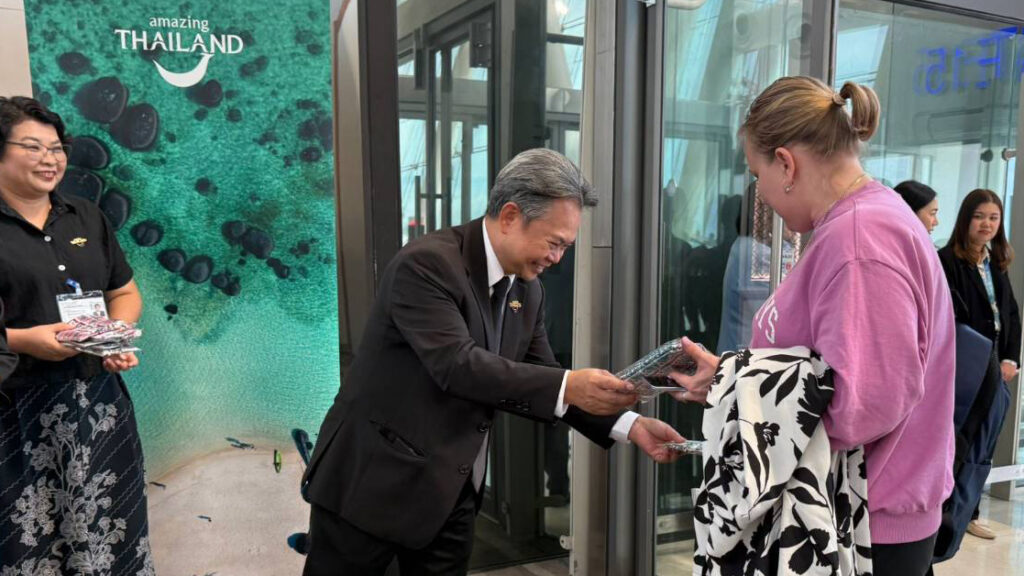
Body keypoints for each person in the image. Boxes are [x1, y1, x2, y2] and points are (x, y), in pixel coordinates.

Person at [301, 148, 684, 576]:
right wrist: (571, 384)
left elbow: (542, 375)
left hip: (452, 493)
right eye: (555, 243)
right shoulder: (426, 265)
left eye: (566, 247)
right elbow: (458, 365)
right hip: (371, 488)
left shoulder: (527, 289)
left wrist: (630, 425)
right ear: (509, 216)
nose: (558, 259)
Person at [671, 77, 955, 576]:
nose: (758, 190)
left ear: (786, 163)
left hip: (859, 521)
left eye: (755, 172)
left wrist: (737, 393)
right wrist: (727, 379)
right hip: (853, 510)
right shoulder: (860, 222)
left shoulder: (859, 240)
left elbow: (863, 404)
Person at [0, 96, 153, 574]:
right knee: (28, 543)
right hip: (16, 412)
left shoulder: (87, 215)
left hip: (98, 405)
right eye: (33, 146)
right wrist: (26, 340)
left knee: (111, 534)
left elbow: (124, 292)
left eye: (57, 147)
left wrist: (115, 335)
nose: (51, 159)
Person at [937, 188, 1021, 541]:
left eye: (994, 218)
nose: (987, 224)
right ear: (966, 220)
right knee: (961, 442)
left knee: (983, 445)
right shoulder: (948, 261)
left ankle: (968, 511)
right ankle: (948, 514)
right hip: (967, 369)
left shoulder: (995, 262)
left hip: (996, 368)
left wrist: (1010, 357)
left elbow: (1012, 315)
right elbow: (952, 319)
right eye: (980, 216)